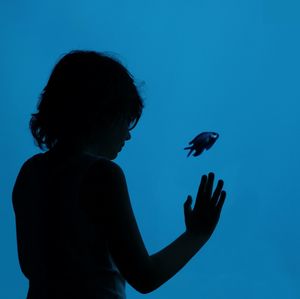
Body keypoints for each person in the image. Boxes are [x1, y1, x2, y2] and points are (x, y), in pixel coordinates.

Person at [12, 50, 227, 299]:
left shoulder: (30, 173)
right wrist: (197, 234)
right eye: (126, 121)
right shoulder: (103, 175)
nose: (128, 135)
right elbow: (145, 276)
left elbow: (29, 266)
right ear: (103, 113)